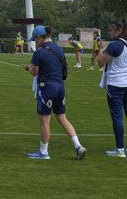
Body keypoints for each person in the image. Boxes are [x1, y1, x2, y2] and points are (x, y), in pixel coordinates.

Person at [23, 26, 87, 160]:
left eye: (35, 39)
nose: (35, 41)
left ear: (40, 37)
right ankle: (78, 146)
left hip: (46, 87)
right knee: (62, 118)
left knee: (45, 120)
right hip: (60, 87)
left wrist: (29, 68)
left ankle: (43, 152)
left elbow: (35, 72)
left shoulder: (39, 52)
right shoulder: (58, 49)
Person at [97, 19, 127, 157]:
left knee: (117, 116)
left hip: (116, 84)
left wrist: (101, 49)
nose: (109, 32)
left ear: (119, 31)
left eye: (111, 30)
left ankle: (120, 149)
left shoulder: (115, 44)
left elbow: (100, 62)